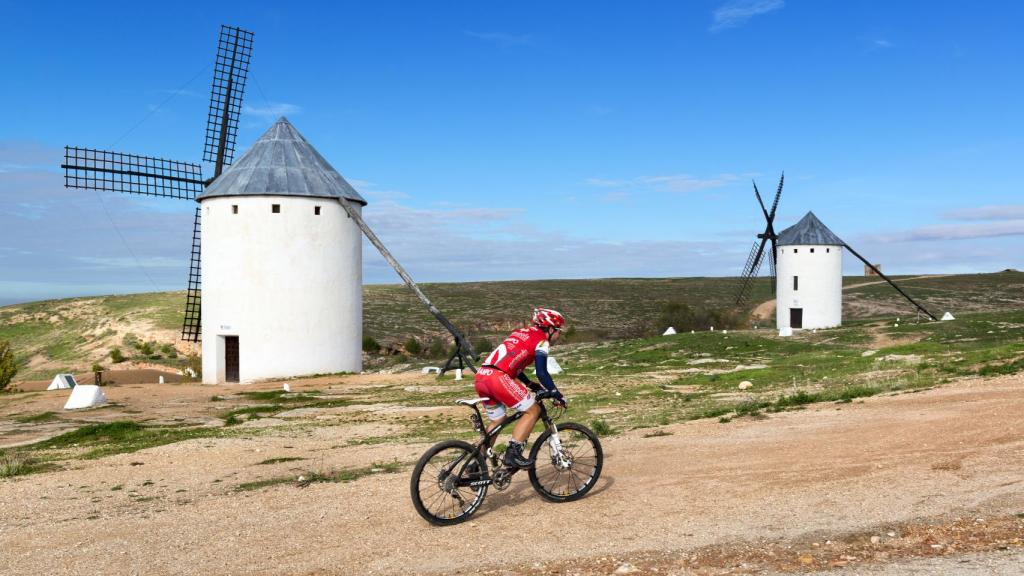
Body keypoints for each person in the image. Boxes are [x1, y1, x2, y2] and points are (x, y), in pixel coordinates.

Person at [474, 308, 567, 469]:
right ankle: (513, 454)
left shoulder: (520, 333)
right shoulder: (542, 342)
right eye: (559, 330)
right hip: (497, 378)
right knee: (533, 410)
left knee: (498, 420)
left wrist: (529, 384)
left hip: (482, 377)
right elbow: (542, 372)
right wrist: (556, 393)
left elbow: (513, 363)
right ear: (551, 329)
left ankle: (476, 464)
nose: (559, 335)